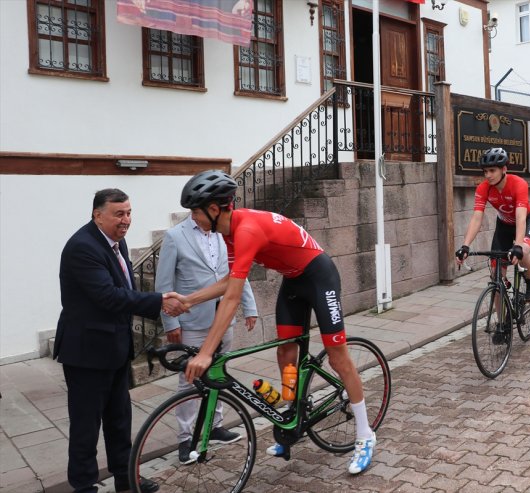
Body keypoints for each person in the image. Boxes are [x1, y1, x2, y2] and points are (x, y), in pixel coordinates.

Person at [174, 170, 377, 475]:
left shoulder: (247, 230)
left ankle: (365, 435)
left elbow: (232, 299)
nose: (194, 220)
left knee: (337, 355)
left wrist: (206, 352)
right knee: (285, 353)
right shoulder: (227, 232)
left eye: (196, 213)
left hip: (319, 277)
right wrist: (191, 300)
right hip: (294, 281)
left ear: (214, 210)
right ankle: (293, 415)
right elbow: (231, 282)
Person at [54, 188, 186, 493]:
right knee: (87, 425)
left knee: (119, 419)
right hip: (86, 351)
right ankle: (84, 486)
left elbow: (122, 286)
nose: (126, 220)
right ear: (97, 215)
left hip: (115, 347)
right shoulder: (82, 247)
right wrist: (159, 301)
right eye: (118, 214)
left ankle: (127, 476)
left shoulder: (116, 240)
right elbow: (106, 295)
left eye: (128, 213)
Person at [155, 213, 259, 465]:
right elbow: (163, 284)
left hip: (223, 316)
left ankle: (215, 426)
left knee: (218, 373)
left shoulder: (224, 232)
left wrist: (250, 306)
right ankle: (185, 438)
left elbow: (235, 272)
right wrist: (171, 321)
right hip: (192, 320)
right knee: (189, 381)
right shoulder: (174, 236)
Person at [455, 147, 530, 308]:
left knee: (523, 250)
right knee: (495, 278)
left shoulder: (518, 184)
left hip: (526, 220)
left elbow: (521, 217)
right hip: (504, 225)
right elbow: (476, 218)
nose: (488, 175)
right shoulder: (483, 188)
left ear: (504, 169)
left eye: (492, 170)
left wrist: (517, 245)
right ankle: (502, 325)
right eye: (485, 171)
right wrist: (465, 246)